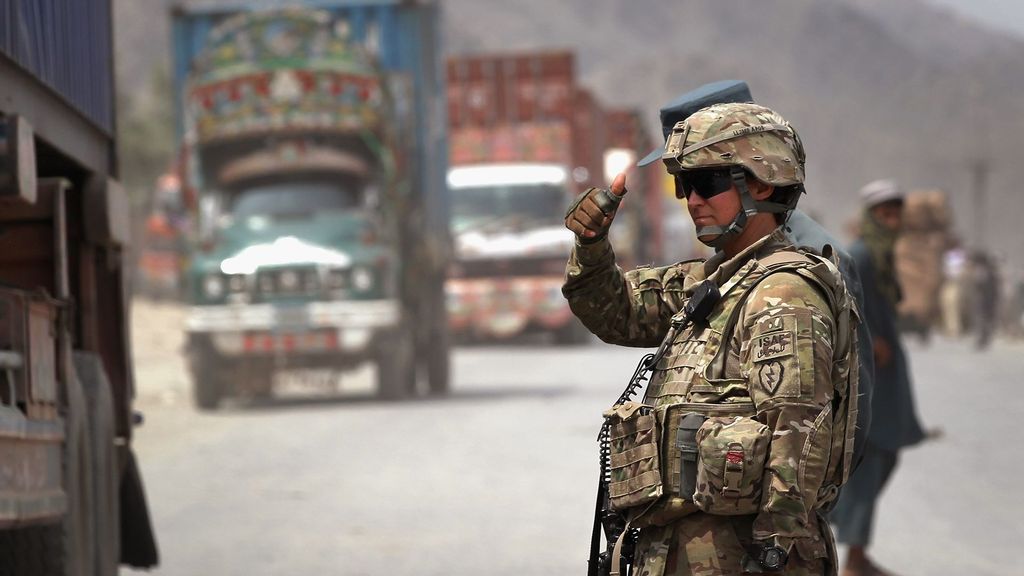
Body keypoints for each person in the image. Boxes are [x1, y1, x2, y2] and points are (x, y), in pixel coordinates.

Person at [565, 102, 859, 575]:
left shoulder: (782, 293)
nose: (692, 200)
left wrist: (772, 553)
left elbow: (798, 434)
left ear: (761, 183)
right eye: (685, 186)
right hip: (679, 552)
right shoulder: (715, 282)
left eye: (707, 184)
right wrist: (592, 242)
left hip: (738, 556)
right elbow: (614, 312)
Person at [829, 179, 925, 576]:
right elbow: (848, 306)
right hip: (869, 376)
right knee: (869, 463)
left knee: (885, 455)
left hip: (886, 378)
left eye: (895, 213)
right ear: (870, 217)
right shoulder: (861, 255)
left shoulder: (882, 257)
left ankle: (856, 552)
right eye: (883, 213)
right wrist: (870, 339)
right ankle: (853, 559)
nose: (892, 220)